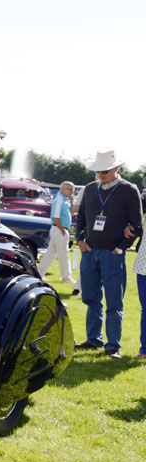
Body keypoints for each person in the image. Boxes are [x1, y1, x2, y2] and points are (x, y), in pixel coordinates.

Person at [74, 149, 142, 358]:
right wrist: (79, 241)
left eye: (105, 171)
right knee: (90, 298)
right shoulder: (90, 188)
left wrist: (121, 247)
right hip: (90, 252)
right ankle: (94, 340)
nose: (101, 175)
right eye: (98, 171)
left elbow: (137, 225)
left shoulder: (130, 190)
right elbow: (81, 217)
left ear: (116, 168)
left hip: (113, 254)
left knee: (114, 301)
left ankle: (113, 345)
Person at [37, 181, 77, 284]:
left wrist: (71, 202)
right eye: (69, 189)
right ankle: (66, 277)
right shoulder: (59, 200)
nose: (72, 191)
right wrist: (62, 229)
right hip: (59, 229)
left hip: (59, 229)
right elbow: (55, 217)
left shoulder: (65, 199)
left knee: (51, 253)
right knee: (64, 254)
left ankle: (39, 274)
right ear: (62, 189)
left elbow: (70, 213)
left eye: (73, 189)